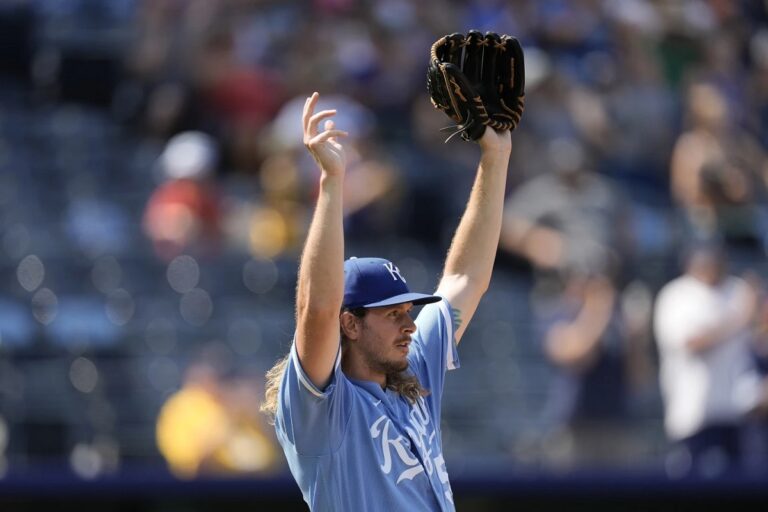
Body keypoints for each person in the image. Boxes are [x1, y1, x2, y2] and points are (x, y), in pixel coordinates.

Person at [260, 92, 513, 510]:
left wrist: (496, 155)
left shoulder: (413, 370)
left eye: (408, 311)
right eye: (392, 314)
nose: (409, 323)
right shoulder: (322, 412)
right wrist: (332, 184)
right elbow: (317, 308)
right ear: (351, 324)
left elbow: (465, 277)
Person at [653, 240, 763, 477]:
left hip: (737, 413)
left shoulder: (737, 289)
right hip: (694, 417)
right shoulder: (676, 295)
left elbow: (756, 339)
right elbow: (692, 343)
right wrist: (739, 319)